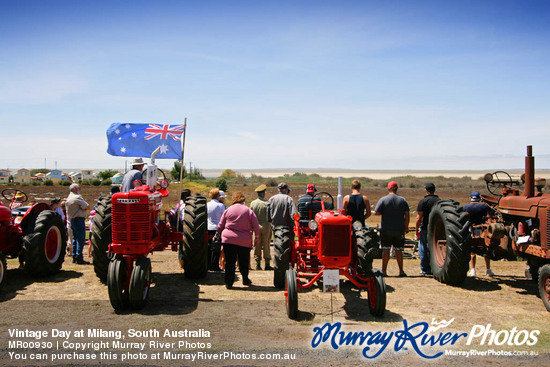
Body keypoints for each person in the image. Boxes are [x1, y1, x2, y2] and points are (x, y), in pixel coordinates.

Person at [216, 191, 260, 289]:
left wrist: (217, 233)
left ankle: (229, 282)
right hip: (244, 240)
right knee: (243, 261)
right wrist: (257, 237)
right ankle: (245, 279)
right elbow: (255, 225)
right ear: (243, 199)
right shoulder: (248, 211)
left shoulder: (228, 210)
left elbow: (221, 224)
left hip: (228, 239)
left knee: (230, 261)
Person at [373, 181, 410, 277]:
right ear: (397, 188)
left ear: (388, 188)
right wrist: (406, 226)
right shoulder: (403, 200)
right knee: (399, 250)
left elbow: (376, 212)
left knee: (386, 250)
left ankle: (384, 271)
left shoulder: (383, 199)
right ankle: (401, 271)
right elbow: (407, 214)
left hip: (386, 229)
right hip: (399, 229)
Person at [464, 191, 496, 277]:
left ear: (470, 198)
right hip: (483, 229)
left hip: (471, 229)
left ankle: (473, 270)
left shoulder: (466, 207)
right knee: (486, 248)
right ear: (480, 198)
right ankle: (488, 270)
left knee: (472, 250)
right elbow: (491, 215)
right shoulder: (484, 206)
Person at [415, 183, 440, 275]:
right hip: (437, 229)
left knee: (423, 248)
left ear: (426, 190)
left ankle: (425, 269)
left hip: (425, 228)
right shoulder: (439, 201)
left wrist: (417, 228)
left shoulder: (423, 201)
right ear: (434, 190)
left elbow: (419, 217)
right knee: (435, 249)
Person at [65, 183, 90, 264]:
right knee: (80, 239)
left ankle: (74, 256)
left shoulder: (68, 198)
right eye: (79, 188)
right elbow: (87, 206)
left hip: (72, 219)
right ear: (76, 189)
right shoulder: (77, 197)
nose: (79, 190)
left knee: (75, 238)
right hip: (79, 219)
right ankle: (79, 257)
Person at [250, 184, 272, 270]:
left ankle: (258, 264)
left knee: (257, 245)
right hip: (266, 225)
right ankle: (267, 264)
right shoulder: (267, 203)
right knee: (266, 244)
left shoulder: (253, 203)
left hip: (256, 225)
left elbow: (251, 216)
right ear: (263, 193)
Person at [207, 188, 226, 271]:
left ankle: (208, 264)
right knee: (216, 248)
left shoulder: (207, 205)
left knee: (209, 247)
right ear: (218, 195)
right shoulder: (221, 205)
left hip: (208, 228)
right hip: (217, 228)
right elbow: (224, 217)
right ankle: (215, 265)